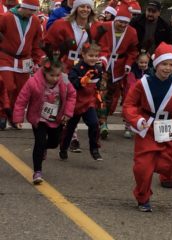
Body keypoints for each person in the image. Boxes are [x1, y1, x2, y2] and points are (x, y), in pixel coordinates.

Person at [123, 42, 172, 212]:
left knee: (168, 164)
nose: (167, 68)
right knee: (143, 168)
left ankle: (158, 172)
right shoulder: (143, 83)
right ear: (156, 64)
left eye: (171, 65)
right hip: (147, 128)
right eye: (164, 64)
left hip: (168, 129)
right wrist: (137, 120)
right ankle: (143, 197)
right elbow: (128, 105)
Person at [13, 55, 76, 184]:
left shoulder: (64, 81)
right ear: (44, 72)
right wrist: (18, 118)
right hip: (38, 118)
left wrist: (68, 113)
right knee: (39, 142)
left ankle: (45, 148)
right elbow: (21, 100)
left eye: (57, 75)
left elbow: (72, 95)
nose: (55, 78)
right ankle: (37, 172)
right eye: (52, 75)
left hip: (55, 118)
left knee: (54, 143)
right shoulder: (33, 82)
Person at [44, 0, 97, 152]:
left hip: (82, 67)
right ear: (75, 8)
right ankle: (52, 132)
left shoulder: (95, 26)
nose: (85, 9)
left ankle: (71, 135)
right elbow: (48, 42)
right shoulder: (61, 24)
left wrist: (99, 61)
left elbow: (102, 46)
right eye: (82, 6)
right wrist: (52, 59)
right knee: (60, 99)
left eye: (88, 7)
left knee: (75, 100)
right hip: (63, 65)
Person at [97, 2, 138, 139]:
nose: (122, 25)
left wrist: (128, 63)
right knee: (102, 93)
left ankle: (104, 119)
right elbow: (95, 42)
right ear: (115, 19)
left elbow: (133, 51)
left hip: (119, 67)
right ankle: (103, 123)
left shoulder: (132, 32)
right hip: (103, 64)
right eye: (119, 22)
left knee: (111, 97)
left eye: (125, 23)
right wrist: (100, 57)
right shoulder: (105, 27)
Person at [0, 0, 43, 129]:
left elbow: (37, 43)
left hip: (24, 60)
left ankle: (13, 116)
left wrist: (37, 61)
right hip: (5, 57)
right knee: (7, 87)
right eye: (30, 10)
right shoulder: (6, 17)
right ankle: (2, 115)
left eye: (34, 10)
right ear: (23, 7)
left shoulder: (34, 21)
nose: (32, 13)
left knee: (20, 91)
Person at [59, 43, 103, 161]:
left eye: (96, 56)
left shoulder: (98, 68)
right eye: (90, 55)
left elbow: (98, 83)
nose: (93, 58)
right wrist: (82, 81)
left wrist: (98, 94)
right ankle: (63, 148)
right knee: (70, 128)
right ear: (83, 55)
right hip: (76, 103)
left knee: (94, 124)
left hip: (89, 102)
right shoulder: (77, 68)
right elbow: (72, 82)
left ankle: (94, 149)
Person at [123, 53, 151, 139]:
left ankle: (141, 128)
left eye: (145, 63)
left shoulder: (150, 71)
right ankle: (128, 128)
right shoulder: (133, 71)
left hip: (145, 96)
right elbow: (131, 83)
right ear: (137, 62)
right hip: (135, 95)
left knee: (142, 112)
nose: (143, 65)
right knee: (131, 112)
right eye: (141, 62)